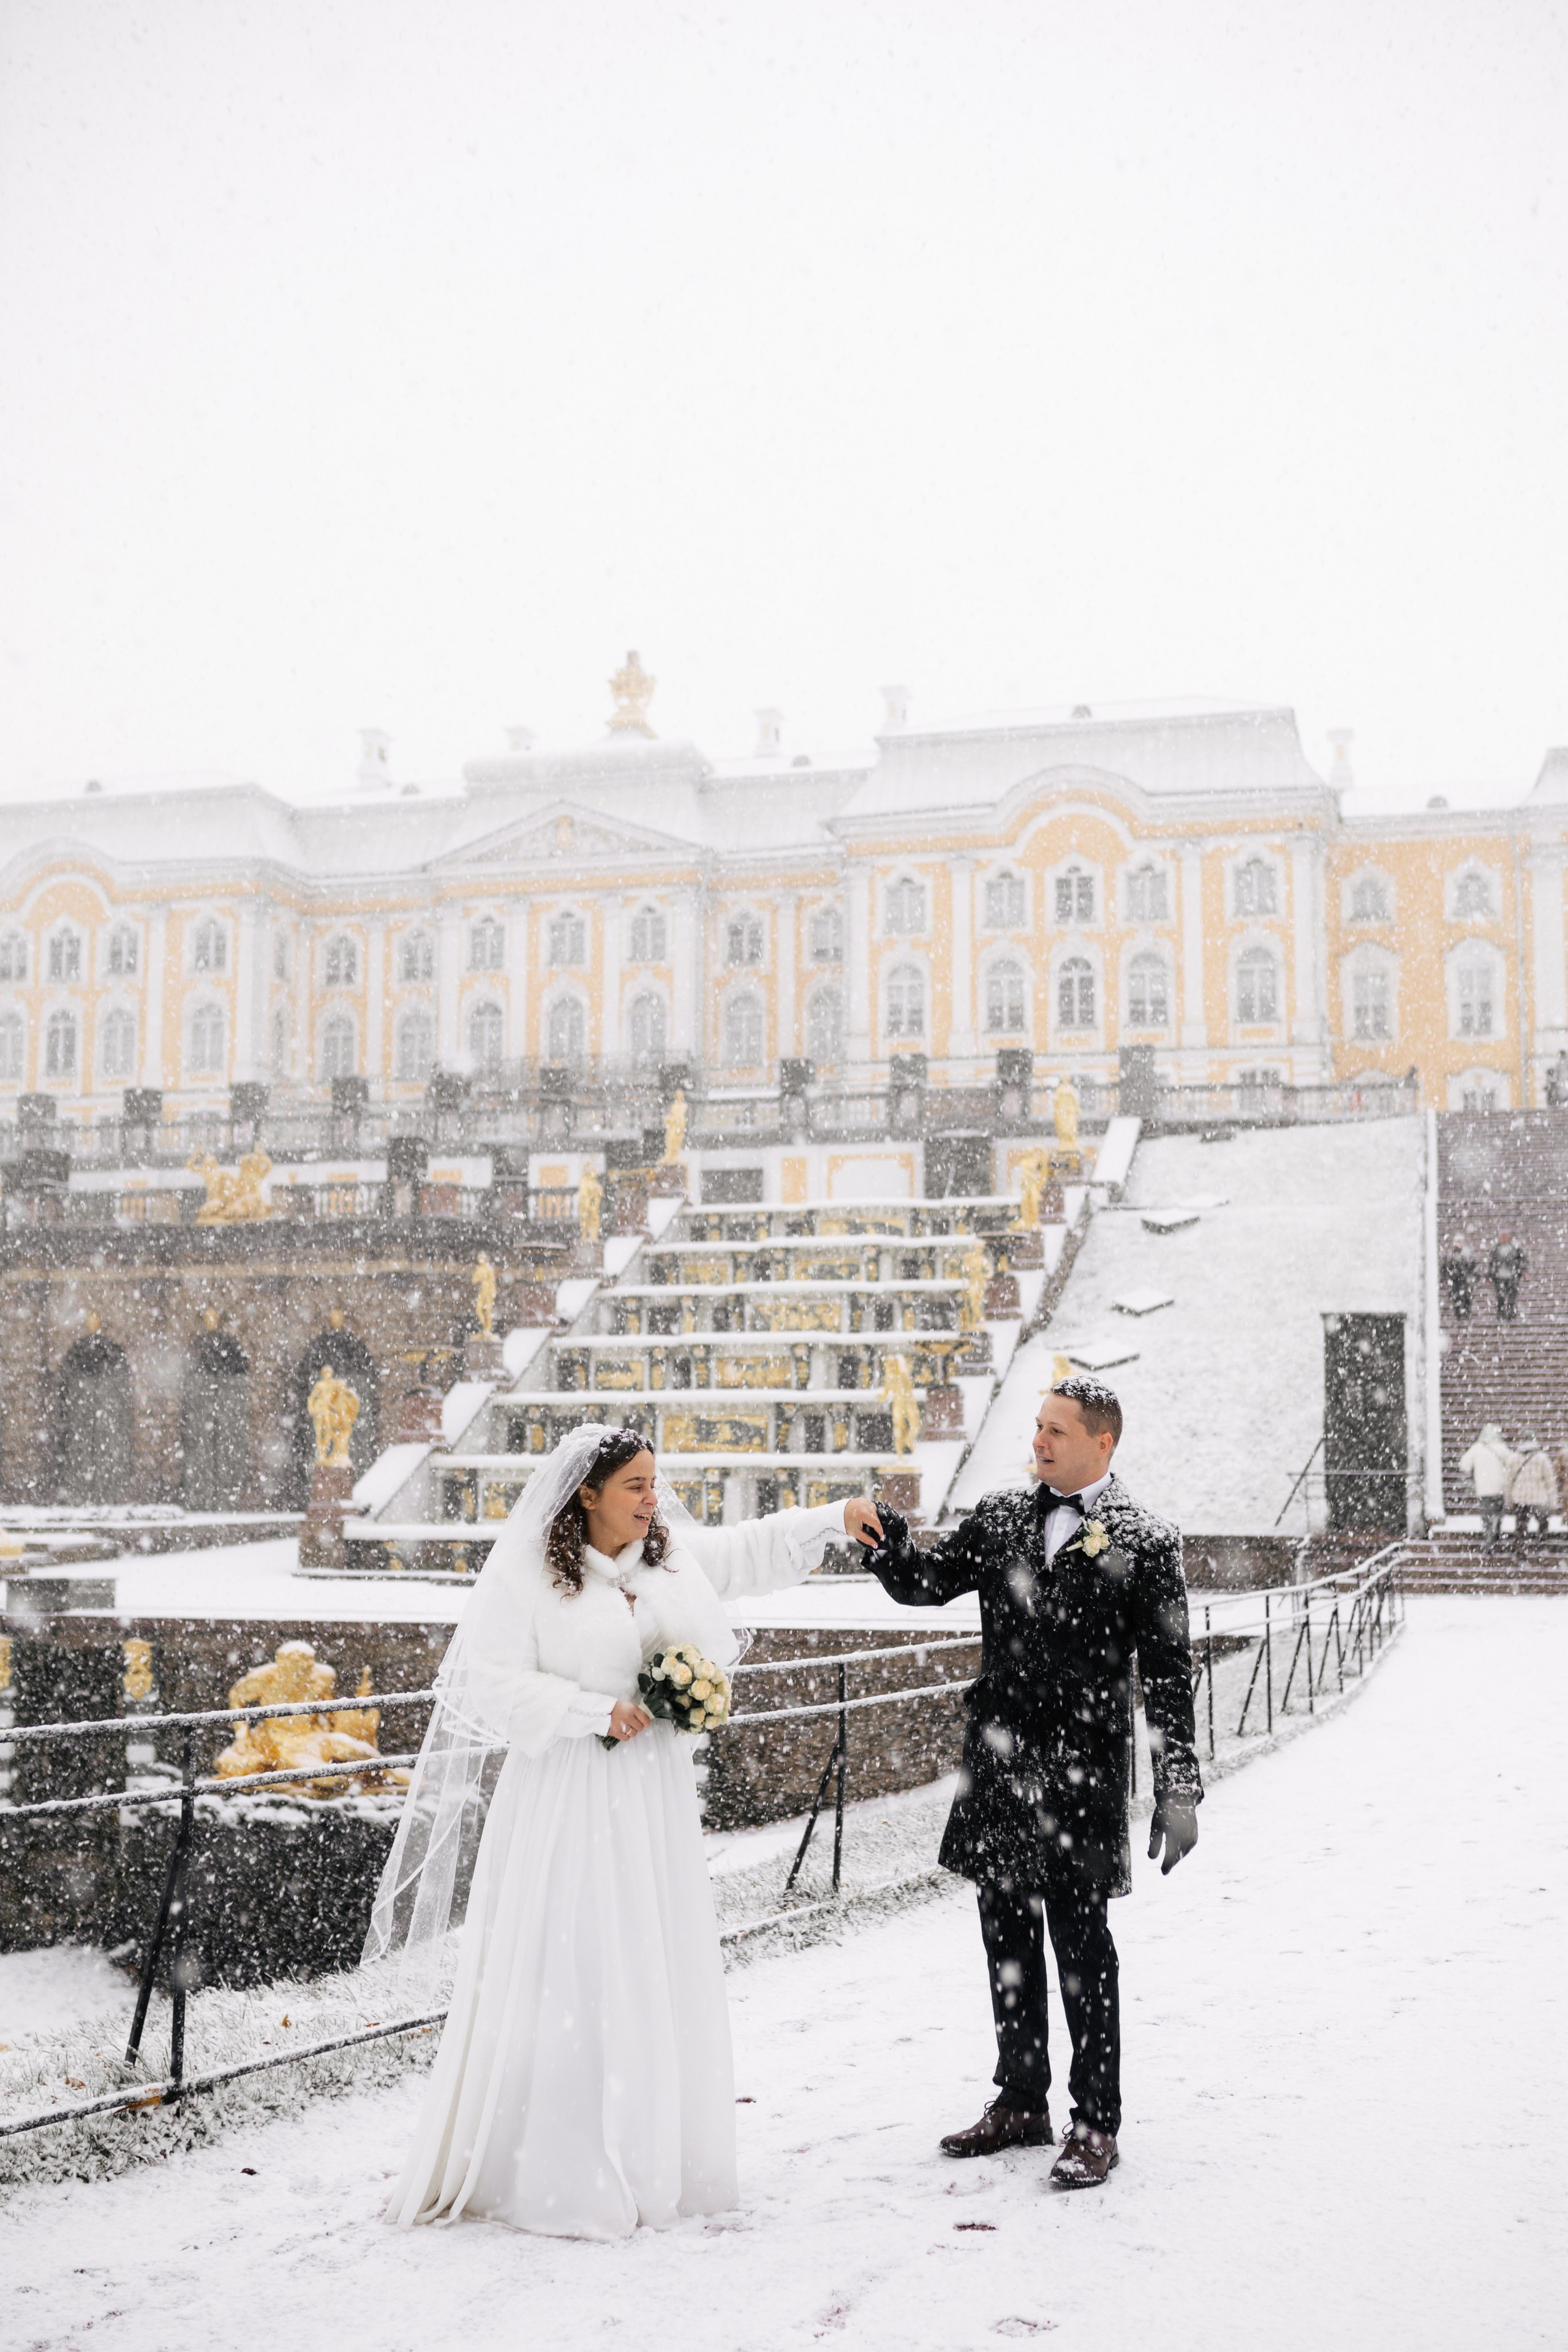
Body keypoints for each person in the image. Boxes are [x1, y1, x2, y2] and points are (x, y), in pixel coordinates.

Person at [371, 1423, 858, 2239]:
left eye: (653, 1483)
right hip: (565, 1796)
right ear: (586, 1494)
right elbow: (492, 1681)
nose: (651, 1499)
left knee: (647, 1955)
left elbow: (744, 1553)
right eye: (634, 1485)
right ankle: (555, 2165)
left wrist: (833, 1517)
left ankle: (647, 2153)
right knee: (572, 1960)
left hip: (653, 1800)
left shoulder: (666, 1559)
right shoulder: (529, 1574)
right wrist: (591, 1711)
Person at [849, 1376, 1200, 2192]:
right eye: (1036, 1427)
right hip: (1001, 1763)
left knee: (1082, 1949)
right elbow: (926, 1584)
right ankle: (1021, 2099)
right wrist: (887, 1548)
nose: (1037, 1441)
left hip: (1084, 1775)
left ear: (1102, 1443)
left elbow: (1172, 1675)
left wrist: (1178, 1786)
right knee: (1005, 1936)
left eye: (1055, 1430)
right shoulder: (1003, 1515)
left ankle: (1095, 2120)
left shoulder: (1146, 1539)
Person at [1458, 1422, 1521, 1549]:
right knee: (1498, 1513)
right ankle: (1496, 1533)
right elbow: (1512, 1464)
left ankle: (1488, 1539)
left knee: (1486, 1516)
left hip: (1483, 1488)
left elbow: (1464, 1465)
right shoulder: (1502, 1448)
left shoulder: (1477, 1448)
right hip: (1500, 1488)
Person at [1509, 1434, 1558, 1538]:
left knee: (1521, 1526)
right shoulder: (1542, 1458)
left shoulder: (1514, 1457)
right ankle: (1541, 1547)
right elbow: (1550, 1481)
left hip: (1520, 1497)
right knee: (1543, 1523)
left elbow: (1509, 1480)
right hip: (1539, 1497)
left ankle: (1521, 1549)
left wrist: (1509, 1499)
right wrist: (1553, 1501)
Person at [1439, 1233, 1479, 1321]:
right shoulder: (1450, 1255)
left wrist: (1472, 1275)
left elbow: (1473, 1266)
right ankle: (1458, 1314)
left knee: (1466, 1296)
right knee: (1456, 1297)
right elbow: (1444, 1267)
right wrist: (1444, 1278)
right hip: (1454, 1279)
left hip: (1464, 1279)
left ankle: (1466, 1313)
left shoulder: (1467, 1254)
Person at [1489, 1232, 1527, 1321]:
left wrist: (1523, 1270)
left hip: (1512, 1277)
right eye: (1502, 1237)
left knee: (1512, 1297)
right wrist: (1490, 1275)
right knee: (1500, 1297)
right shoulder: (1496, 1249)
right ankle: (1501, 1314)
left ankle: (1511, 1314)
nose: (1504, 1239)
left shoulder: (1515, 1249)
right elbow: (1492, 1263)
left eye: (1505, 1237)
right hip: (1500, 1277)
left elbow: (1522, 1260)